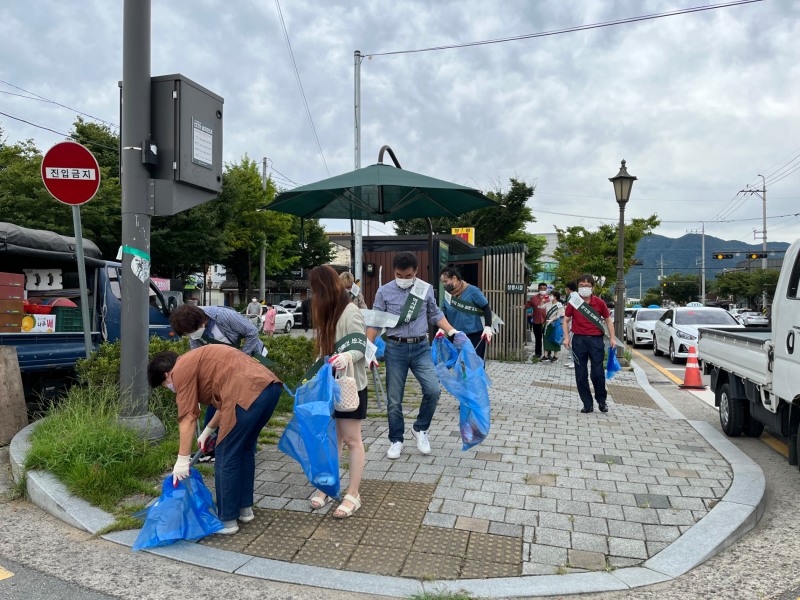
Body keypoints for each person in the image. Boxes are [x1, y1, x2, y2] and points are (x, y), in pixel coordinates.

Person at [147, 344, 282, 535]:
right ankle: (245, 510)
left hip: (246, 394)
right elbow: (225, 398)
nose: (170, 388)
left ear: (167, 375)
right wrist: (209, 430)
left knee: (225, 454)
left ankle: (227, 521)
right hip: (269, 389)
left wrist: (182, 459)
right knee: (244, 450)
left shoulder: (180, 370)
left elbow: (187, 417)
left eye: (165, 386)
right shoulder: (198, 360)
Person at [367, 251, 459, 460]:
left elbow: (435, 314)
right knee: (394, 399)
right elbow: (375, 320)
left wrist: (451, 331)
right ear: (394, 272)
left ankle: (420, 428)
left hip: (420, 348)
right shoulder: (384, 291)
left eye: (408, 276)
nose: (404, 280)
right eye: (400, 275)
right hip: (395, 348)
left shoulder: (424, 289)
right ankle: (396, 439)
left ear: (416, 272)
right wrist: (368, 349)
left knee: (433, 390)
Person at [307, 266, 368, 518]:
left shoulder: (350, 311)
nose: (313, 295)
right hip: (330, 386)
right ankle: (327, 485)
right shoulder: (328, 311)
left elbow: (360, 346)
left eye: (314, 289)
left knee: (352, 440)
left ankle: (353, 494)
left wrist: (346, 356)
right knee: (333, 439)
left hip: (349, 387)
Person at [170, 304, 267, 460]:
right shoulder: (194, 332)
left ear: (202, 321)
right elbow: (197, 355)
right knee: (217, 402)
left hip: (250, 358)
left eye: (192, 332)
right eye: (188, 334)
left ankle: (248, 447)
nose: (191, 335)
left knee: (245, 403)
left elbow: (251, 332)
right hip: (226, 367)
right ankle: (211, 448)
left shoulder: (224, 316)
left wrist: (242, 358)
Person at [562, 274, 616, 413]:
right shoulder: (574, 302)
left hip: (596, 340)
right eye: (581, 285)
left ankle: (601, 400)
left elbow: (608, 320)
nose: (584, 288)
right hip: (579, 340)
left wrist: (612, 338)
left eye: (587, 286)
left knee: (597, 373)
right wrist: (567, 338)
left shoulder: (599, 303)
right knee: (580, 374)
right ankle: (587, 403)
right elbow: (566, 320)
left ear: (593, 287)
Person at [439, 266, 493, 360]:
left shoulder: (472, 291)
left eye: (446, 281)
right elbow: (444, 313)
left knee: (474, 366)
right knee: (459, 367)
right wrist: (442, 329)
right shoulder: (448, 295)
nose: (444, 285)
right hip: (455, 336)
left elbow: (486, 308)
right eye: (443, 282)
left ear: (454, 278)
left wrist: (488, 326)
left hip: (474, 336)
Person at [525, 282, 550, 360]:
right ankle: (538, 353)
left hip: (547, 322)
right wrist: (518, 307)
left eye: (544, 288)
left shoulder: (550, 298)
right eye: (541, 288)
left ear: (547, 289)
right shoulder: (533, 298)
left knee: (547, 339)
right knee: (538, 338)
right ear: (538, 289)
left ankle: (547, 354)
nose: (543, 290)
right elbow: (527, 305)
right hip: (536, 321)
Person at [542, 290, 564, 362]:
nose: (550, 296)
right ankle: (545, 355)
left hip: (555, 324)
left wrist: (552, 319)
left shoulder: (559, 305)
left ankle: (555, 356)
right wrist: (543, 300)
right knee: (546, 338)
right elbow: (540, 307)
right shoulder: (548, 303)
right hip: (547, 324)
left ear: (555, 296)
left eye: (551, 295)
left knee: (555, 339)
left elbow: (559, 315)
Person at [563, 282, 577, 369]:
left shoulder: (574, 296)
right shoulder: (572, 296)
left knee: (572, 343)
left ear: (568, 288)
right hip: (570, 322)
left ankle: (574, 361)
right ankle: (572, 360)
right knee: (570, 343)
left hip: (573, 322)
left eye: (566, 288)